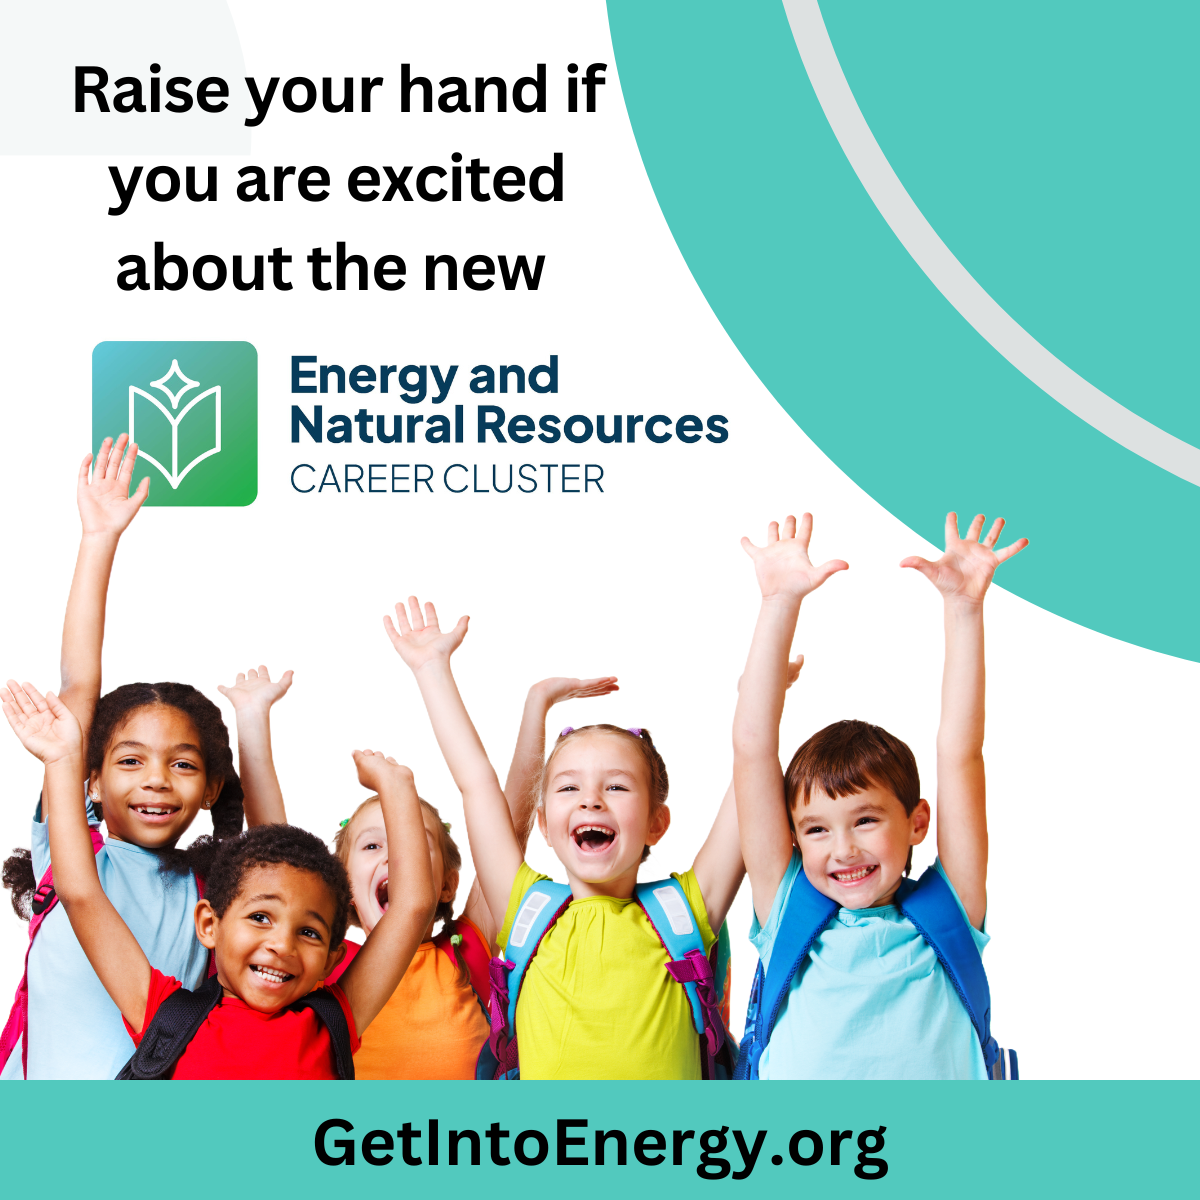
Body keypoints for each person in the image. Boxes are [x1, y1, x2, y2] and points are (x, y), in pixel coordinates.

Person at [384, 596, 746, 1080]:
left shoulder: (686, 910)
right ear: (544, 824)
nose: (590, 800)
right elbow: (476, 782)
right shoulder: (525, 909)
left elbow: (752, 768)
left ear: (657, 823)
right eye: (569, 787)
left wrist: (764, 687)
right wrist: (431, 669)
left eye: (616, 786)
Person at [1, 679, 435, 1079]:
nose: (282, 944)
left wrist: (397, 786)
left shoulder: (332, 1022)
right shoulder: (168, 1018)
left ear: (331, 955)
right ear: (209, 925)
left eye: (308, 931)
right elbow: (81, 894)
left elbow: (413, 909)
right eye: (261, 918)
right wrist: (61, 759)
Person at [733, 512, 1026, 1079]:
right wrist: (778, 605)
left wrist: (964, 610)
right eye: (816, 829)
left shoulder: (949, 911)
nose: (842, 849)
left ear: (918, 822)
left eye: (865, 819)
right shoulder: (787, 907)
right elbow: (751, 750)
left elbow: (960, 752)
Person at [1, 437, 258, 1078]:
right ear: (88, 778)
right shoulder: (72, 856)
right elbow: (78, 690)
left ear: (210, 787)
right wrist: (98, 540)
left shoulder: (213, 893)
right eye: (131, 761)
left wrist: (257, 721)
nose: (156, 781)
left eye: (182, 764)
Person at [226, 667, 619, 1079]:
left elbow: (509, 829)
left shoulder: (466, 951)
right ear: (343, 888)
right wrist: (252, 720)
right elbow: (273, 848)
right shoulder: (326, 966)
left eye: (414, 845)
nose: (396, 858)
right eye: (373, 845)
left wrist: (536, 707)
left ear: (447, 883)